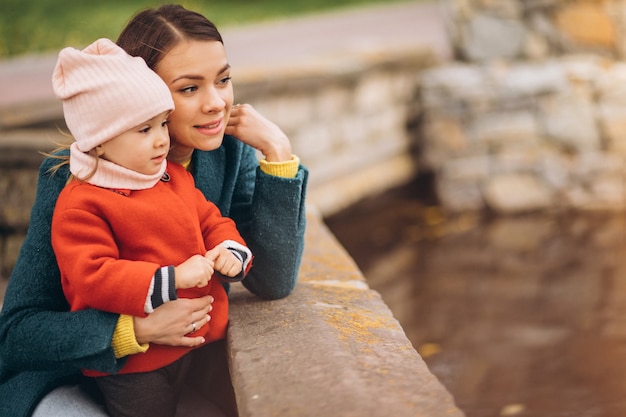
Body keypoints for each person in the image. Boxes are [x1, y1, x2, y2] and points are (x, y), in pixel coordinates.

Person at [0, 4, 308, 417]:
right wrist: (133, 330)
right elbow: (18, 331)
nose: (217, 103)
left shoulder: (227, 152)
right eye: (189, 88)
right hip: (71, 375)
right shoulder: (70, 179)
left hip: (178, 369)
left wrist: (278, 154)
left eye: (224, 80)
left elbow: (273, 280)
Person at [49, 37, 253, 417]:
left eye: (162, 123)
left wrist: (230, 249)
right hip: (135, 366)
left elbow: (211, 220)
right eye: (144, 130)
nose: (162, 139)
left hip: (196, 343)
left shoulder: (171, 177)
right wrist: (171, 279)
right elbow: (93, 275)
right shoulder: (83, 201)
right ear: (99, 142)